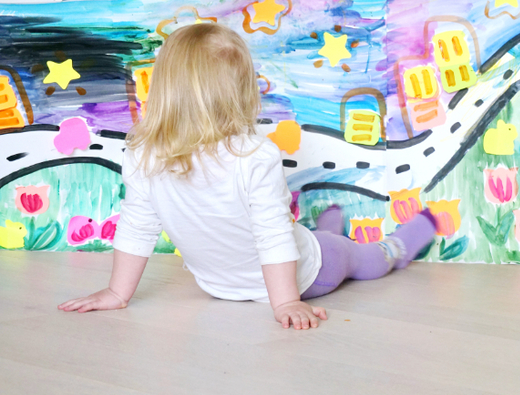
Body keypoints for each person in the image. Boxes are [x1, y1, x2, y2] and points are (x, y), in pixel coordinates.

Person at [58, 23, 437, 329]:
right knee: (339, 251)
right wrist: (286, 302)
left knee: (349, 255)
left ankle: (384, 246)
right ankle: (356, 240)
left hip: (269, 277)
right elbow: (271, 234)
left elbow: (138, 224)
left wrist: (117, 293)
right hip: (286, 277)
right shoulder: (251, 155)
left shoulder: (145, 153)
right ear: (242, 93)